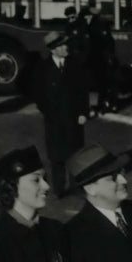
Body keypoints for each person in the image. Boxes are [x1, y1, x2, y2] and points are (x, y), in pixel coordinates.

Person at [32, 31, 89, 198]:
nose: (66, 48)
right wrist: (47, 111)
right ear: (53, 50)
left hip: (74, 118)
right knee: (56, 156)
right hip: (54, 120)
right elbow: (38, 94)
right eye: (62, 46)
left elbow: (82, 91)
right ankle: (59, 189)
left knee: (75, 153)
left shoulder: (75, 65)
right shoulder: (43, 68)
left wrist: (83, 112)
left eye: (66, 44)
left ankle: (76, 186)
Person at [75, 1, 118, 113]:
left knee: (101, 84)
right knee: (83, 86)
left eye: (90, 16)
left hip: (97, 60)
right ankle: (85, 108)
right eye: (87, 16)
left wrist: (109, 56)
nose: (88, 18)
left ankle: (101, 105)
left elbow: (108, 43)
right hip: (83, 61)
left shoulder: (99, 26)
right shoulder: (80, 27)